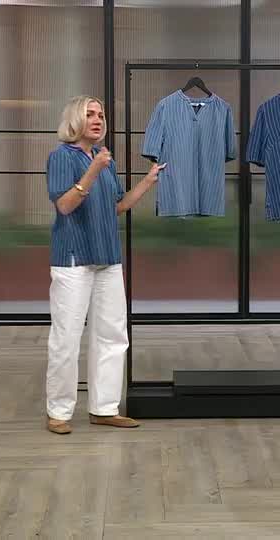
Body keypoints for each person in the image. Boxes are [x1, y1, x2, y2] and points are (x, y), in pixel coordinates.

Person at [44, 95, 165, 435]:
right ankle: (59, 411)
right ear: (74, 120)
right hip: (73, 260)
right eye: (90, 114)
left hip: (108, 258)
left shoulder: (104, 159)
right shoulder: (61, 157)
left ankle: (104, 408)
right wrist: (92, 171)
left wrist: (147, 181)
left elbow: (116, 206)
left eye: (101, 114)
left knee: (113, 335)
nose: (98, 119)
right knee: (66, 337)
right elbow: (65, 206)